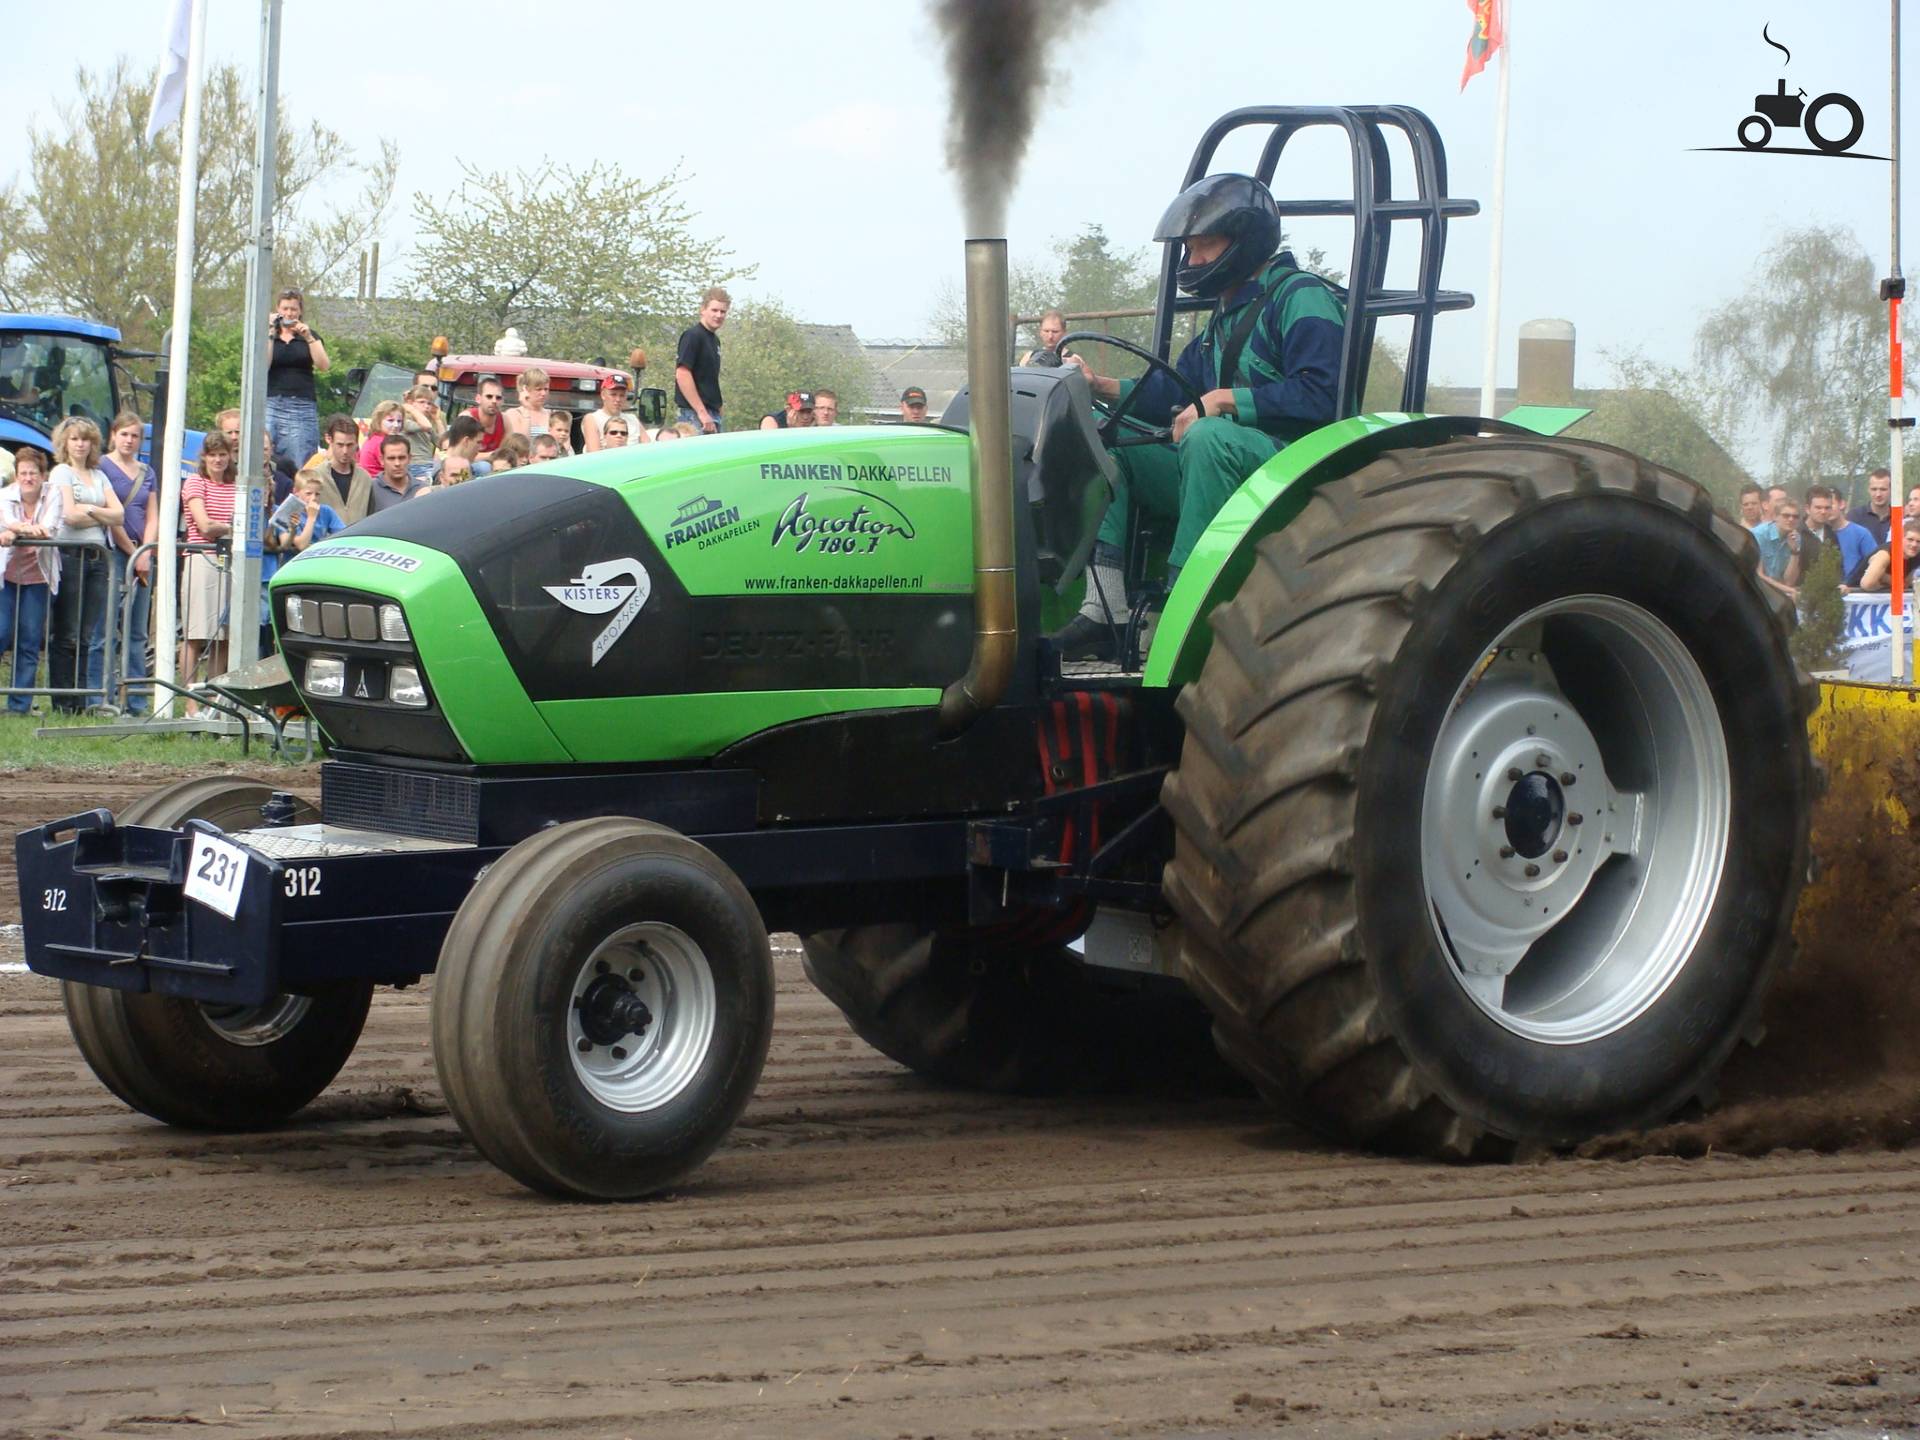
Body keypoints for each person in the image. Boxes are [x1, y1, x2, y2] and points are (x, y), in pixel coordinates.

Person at [1049, 173, 1344, 660]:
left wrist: (1226, 399)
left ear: (1245, 241)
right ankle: (1106, 611)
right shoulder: (1224, 315)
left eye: (1205, 245)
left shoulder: (1302, 297)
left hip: (1295, 467)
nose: (1194, 260)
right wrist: (1099, 384)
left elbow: (1324, 396)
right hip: (1231, 460)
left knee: (1206, 436)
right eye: (1189, 248)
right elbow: (1173, 391)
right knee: (1108, 440)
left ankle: (1183, 607)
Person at [45, 418, 123, 713]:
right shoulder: (61, 472)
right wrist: (100, 512)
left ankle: (79, 701)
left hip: (98, 558)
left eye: (85, 439)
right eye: (75, 439)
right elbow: (69, 517)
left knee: (87, 635)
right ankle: (63, 702)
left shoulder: (99, 475)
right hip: (70, 555)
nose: (80, 444)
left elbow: (119, 515)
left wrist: (89, 509)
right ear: (65, 442)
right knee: (67, 633)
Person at [99, 412, 157, 714]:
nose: (129, 440)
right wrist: (132, 552)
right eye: (124, 434)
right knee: (107, 627)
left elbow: (152, 513)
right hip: (115, 553)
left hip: (143, 557)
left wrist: (146, 551)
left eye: (134, 435)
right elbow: (111, 516)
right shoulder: (101, 467)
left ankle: (136, 699)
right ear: (113, 435)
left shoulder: (147, 471)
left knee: (137, 632)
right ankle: (104, 696)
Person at [0, 447, 62, 714]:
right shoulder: (5, 495)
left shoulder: (53, 494)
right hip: (6, 575)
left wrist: (15, 530)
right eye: (23, 473)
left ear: (42, 475)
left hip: (38, 576)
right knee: (1, 632)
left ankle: (19, 703)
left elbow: (49, 527)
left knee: (29, 638)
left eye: (33, 473)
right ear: (16, 475)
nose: (27, 478)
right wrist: (22, 528)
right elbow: (7, 520)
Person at [178, 431, 238, 697]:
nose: (218, 460)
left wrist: (226, 528)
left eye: (222, 454)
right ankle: (190, 700)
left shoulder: (235, 485)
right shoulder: (195, 482)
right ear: (204, 457)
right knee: (195, 633)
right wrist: (234, 527)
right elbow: (204, 525)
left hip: (230, 560)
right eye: (213, 455)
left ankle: (213, 697)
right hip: (201, 558)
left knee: (223, 636)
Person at [265, 288, 329, 470]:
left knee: (300, 460)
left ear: (300, 311)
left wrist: (308, 337)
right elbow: (263, 365)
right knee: (264, 455)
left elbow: (324, 365)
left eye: (293, 309)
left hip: (301, 406)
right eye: (285, 309)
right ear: (277, 309)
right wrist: (270, 331)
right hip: (271, 402)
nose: (289, 313)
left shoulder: (310, 336)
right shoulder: (268, 335)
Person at [298, 414, 374, 523]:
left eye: (350, 445)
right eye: (340, 445)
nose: (345, 451)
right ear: (329, 440)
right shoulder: (315, 476)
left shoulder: (365, 478)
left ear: (356, 443)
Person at [266, 468, 347, 567]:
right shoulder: (289, 511)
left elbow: (343, 535)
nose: (313, 498)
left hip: (318, 564)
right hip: (295, 565)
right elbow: (302, 545)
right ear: (296, 492)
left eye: (317, 494)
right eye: (308, 494)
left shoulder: (326, 511)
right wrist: (311, 518)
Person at [675, 287, 729, 433]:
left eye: (722, 312)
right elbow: (682, 374)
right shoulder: (692, 336)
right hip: (694, 416)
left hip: (712, 414)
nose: (718, 315)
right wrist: (702, 412)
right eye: (714, 310)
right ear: (703, 310)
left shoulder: (715, 341)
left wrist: (718, 408)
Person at [1750, 497, 1803, 597]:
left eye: (1795, 516)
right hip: (1755, 589)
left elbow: (1789, 581)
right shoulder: (1759, 534)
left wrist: (1794, 552)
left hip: (1778, 591)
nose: (1791, 519)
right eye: (1786, 515)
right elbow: (1759, 575)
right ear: (1775, 517)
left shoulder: (1796, 538)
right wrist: (1790, 590)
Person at [583, 373, 648, 450]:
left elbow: (649, 448)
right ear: (603, 395)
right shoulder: (592, 419)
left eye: (622, 395)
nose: (618, 399)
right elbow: (593, 455)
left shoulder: (633, 419)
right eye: (613, 394)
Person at [503, 368, 566, 445]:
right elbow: (521, 445)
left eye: (546, 389)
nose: (543, 393)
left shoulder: (552, 415)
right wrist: (526, 410)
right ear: (525, 390)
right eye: (538, 389)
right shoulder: (514, 414)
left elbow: (565, 445)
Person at [1856, 517, 1920, 593]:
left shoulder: (1916, 555)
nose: (1914, 545)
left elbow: (1906, 583)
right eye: (1910, 539)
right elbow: (1867, 584)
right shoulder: (1885, 554)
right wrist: (1889, 583)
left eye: (1918, 541)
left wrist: (1888, 579)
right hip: (1855, 595)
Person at [372, 433, 433, 507]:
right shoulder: (371, 489)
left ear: (409, 458)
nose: (397, 463)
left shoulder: (421, 489)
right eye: (391, 458)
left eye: (402, 458)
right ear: (382, 460)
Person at [400, 384, 445, 482]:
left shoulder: (426, 421)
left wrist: (437, 420)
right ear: (410, 403)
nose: (426, 406)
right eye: (421, 402)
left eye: (429, 403)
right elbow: (426, 426)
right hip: (415, 465)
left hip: (428, 463)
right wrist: (411, 409)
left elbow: (442, 443)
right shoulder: (405, 420)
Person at [462, 375, 509, 468]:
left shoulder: (505, 420)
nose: (494, 401)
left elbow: (508, 452)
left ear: (503, 401)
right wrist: (493, 455)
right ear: (478, 399)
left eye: (498, 398)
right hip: (467, 468)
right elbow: (462, 456)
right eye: (489, 396)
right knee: (484, 467)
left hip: (497, 468)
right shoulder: (467, 418)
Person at [1830, 505, 1880, 589]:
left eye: (1830, 505)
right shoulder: (1817, 534)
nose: (1826, 510)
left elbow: (1875, 561)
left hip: (1854, 590)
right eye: (1821, 507)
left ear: (1841, 504)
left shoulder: (1861, 533)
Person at [431, 416, 486, 489]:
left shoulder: (461, 466)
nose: (481, 447)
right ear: (466, 441)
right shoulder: (443, 469)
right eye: (478, 442)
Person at [1849, 467, 1894, 548]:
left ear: (1891, 490)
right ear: (1868, 490)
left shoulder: (1900, 518)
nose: (1878, 494)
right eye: (1874, 489)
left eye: (1883, 489)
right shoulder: (1854, 517)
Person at [358, 401, 407, 474]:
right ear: (378, 421)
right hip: (377, 482)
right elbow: (396, 471)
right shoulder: (381, 443)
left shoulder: (373, 438)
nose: (396, 425)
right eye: (390, 420)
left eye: (399, 421)